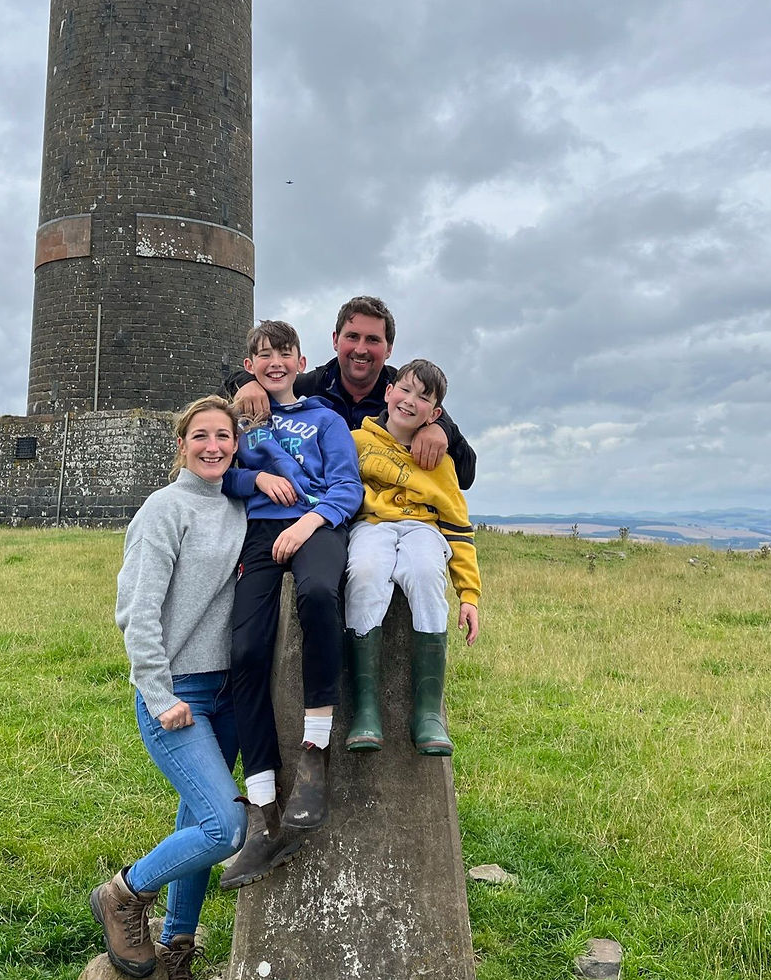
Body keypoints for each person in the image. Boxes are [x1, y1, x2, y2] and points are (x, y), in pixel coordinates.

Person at [90, 396, 249, 980]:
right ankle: (123, 893)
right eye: (201, 436)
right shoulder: (163, 508)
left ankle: (176, 947)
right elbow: (138, 610)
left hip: (229, 691)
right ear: (180, 445)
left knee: (195, 818)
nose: (213, 446)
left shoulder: (238, 503)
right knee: (225, 826)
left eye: (224, 436)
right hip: (178, 694)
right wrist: (159, 696)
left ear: (236, 445)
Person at [218, 319, 363, 890]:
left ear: (301, 360)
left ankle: (314, 754)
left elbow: (348, 488)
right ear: (249, 365)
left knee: (320, 594)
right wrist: (255, 483)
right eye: (261, 354)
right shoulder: (242, 422)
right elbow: (220, 471)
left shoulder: (325, 418)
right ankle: (260, 811)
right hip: (260, 534)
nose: (273, 361)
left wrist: (308, 521)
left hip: (317, 525)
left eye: (283, 351)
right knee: (246, 650)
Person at [343, 359, 480, 758]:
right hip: (371, 525)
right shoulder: (356, 443)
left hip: (423, 529)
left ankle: (426, 714)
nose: (410, 400)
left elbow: (457, 527)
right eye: (404, 389)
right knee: (365, 572)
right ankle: (367, 709)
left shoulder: (442, 464)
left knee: (425, 572)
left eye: (423, 397)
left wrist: (469, 594)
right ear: (388, 393)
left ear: (435, 414)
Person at [227, 296, 477, 490]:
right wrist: (247, 382)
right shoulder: (307, 388)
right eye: (352, 336)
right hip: (317, 509)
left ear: (389, 348)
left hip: (386, 520)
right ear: (335, 340)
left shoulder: (405, 396)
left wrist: (442, 428)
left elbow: (466, 474)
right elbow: (213, 406)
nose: (360, 349)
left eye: (372, 340)